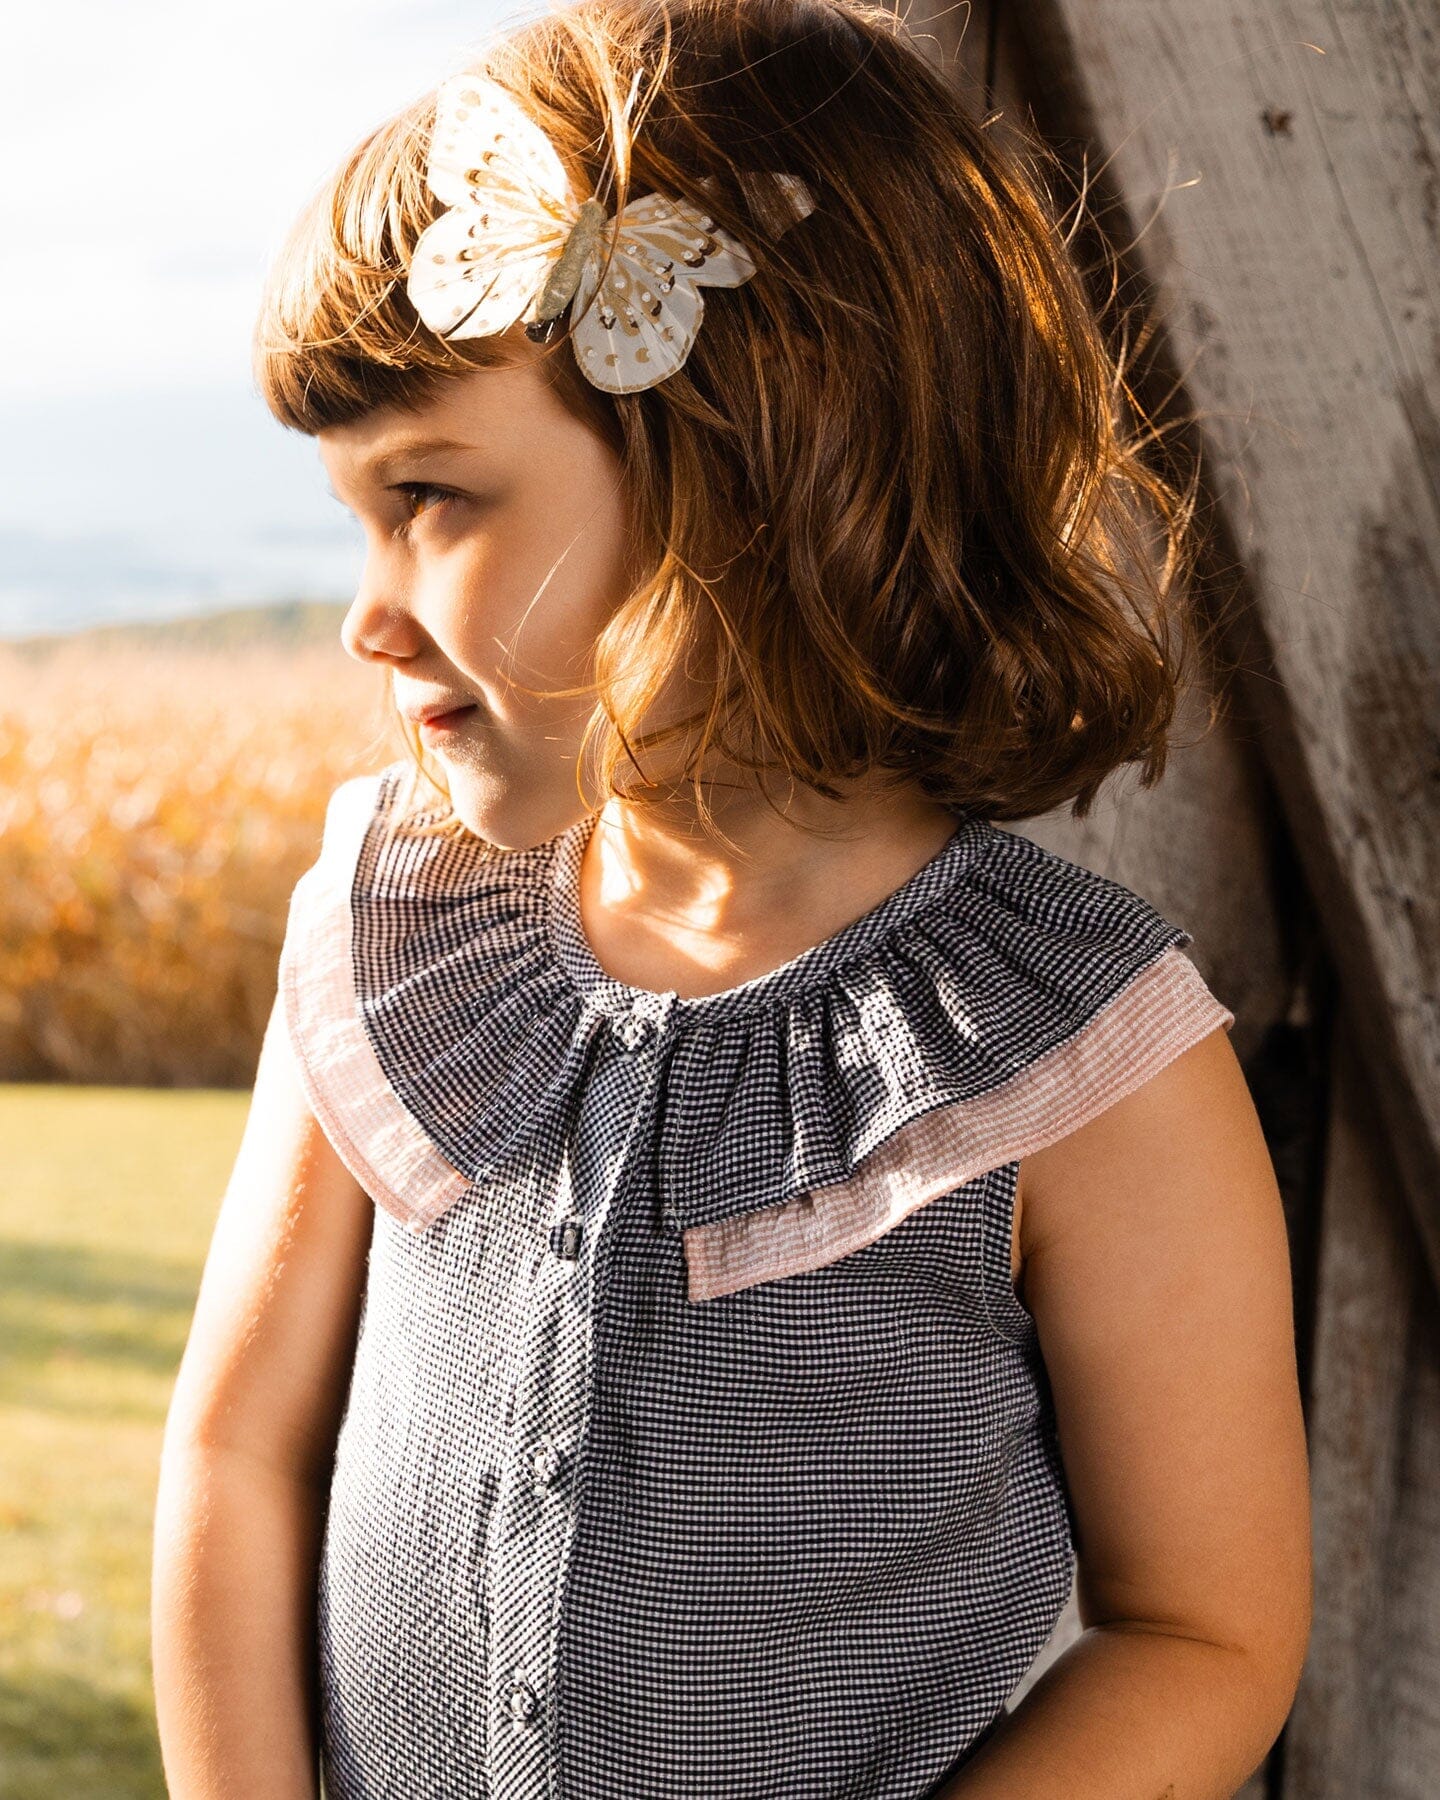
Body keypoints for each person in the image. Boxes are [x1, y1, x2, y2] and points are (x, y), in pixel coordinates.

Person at [150, 2, 1312, 1796]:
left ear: (756, 472)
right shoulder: (398, 940)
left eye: (436, 499)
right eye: (354, 519)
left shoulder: (1080, 1054)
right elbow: (238, 1457)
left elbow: (1206, 1631)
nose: (370, 615)